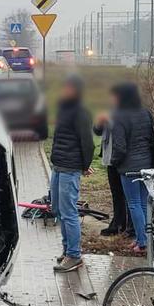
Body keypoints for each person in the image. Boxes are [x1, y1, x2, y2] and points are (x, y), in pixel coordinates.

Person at [103, 82, 154, 255]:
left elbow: (120, 147)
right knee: (143, 203)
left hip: (129, 168)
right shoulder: (146, 113)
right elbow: (152, 138)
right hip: (147, 166)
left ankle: (142, 242)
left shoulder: (119, 115)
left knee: (133, 204)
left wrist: (116, 164)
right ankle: (145, 238)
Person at [49, 74, 94, 273]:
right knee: (58, 209)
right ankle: (67, 250)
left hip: (70, 168)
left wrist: (85, 165)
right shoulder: (64, 109)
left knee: (69, 213)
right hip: (58, 166)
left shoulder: (81, 112)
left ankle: (74, 255)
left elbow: (88, 142)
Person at [94, 113, 130, 239]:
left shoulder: (124, 113)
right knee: (116, 194)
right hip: (110, 159)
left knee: (127, 195)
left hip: (122, 159)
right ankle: (118, 223)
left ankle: (127, 226)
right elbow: (97, 131)